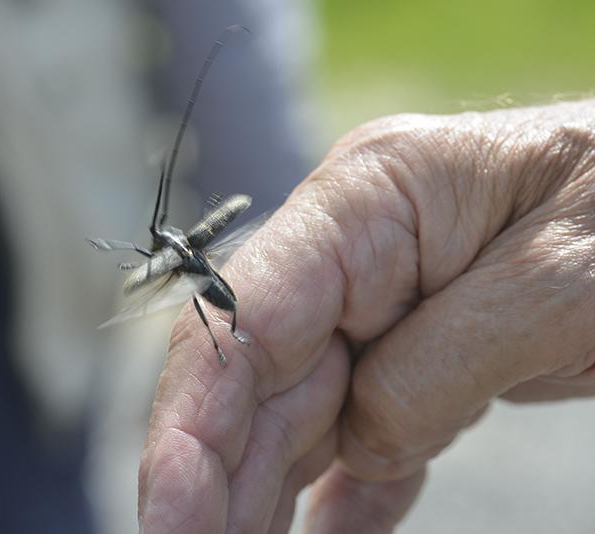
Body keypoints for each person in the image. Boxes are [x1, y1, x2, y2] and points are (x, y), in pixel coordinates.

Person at [137, 99, 595, 533]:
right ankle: (228, 339)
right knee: (209, 310)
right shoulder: (186, 248)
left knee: (205, 314)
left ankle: (227, 342)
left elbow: (153, 272)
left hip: (220, 295)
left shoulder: (172, 258)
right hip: (220, 291)